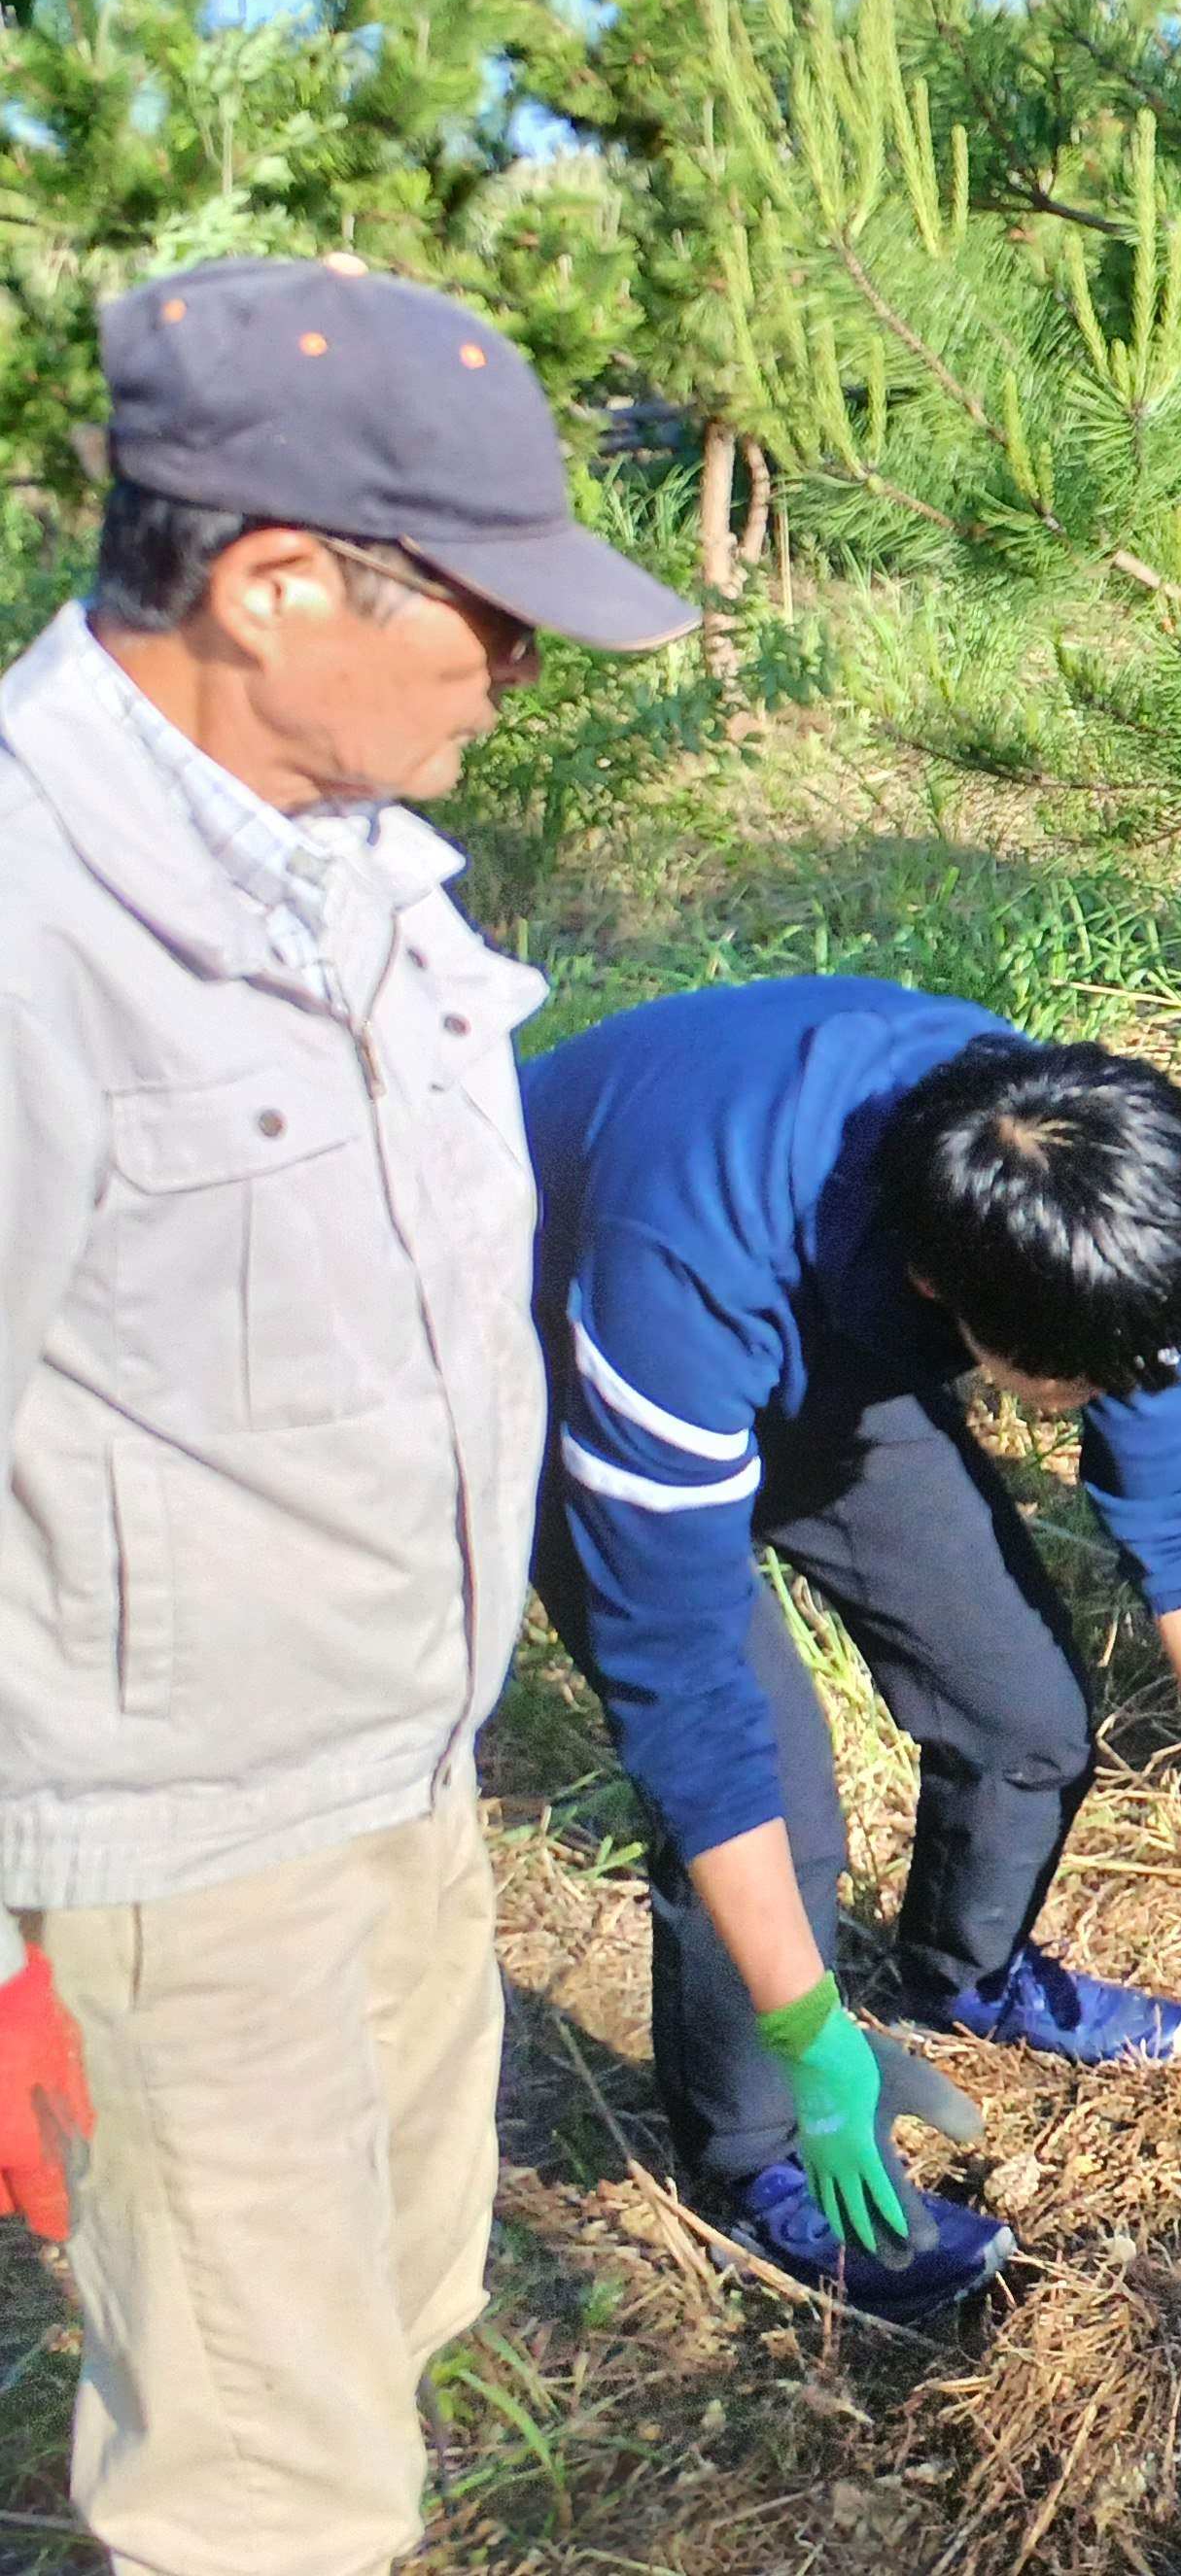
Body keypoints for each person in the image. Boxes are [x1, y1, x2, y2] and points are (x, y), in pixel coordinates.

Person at [0, 254, 695, 2573]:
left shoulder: (362, 873)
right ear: (278, 585)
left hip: (403, 1768)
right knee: (259, 2496)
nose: (516, 678)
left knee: (391, 2314)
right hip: (176, 1856)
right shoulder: (33, 931)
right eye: (487, 621)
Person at [519, 976, 1181, 2321]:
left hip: (829, 1319)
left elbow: (1172, 1493)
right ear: (944, 1294)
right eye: (1077, 1384)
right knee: (778, 1806)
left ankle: (963, 1976)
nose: (1110, 1399)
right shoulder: (681, 1263)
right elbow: (681, 1689)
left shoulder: (1077, 1189)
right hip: (562, 1326)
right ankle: (758, 2157)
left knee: (1022, 1709)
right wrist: (810, 2032)